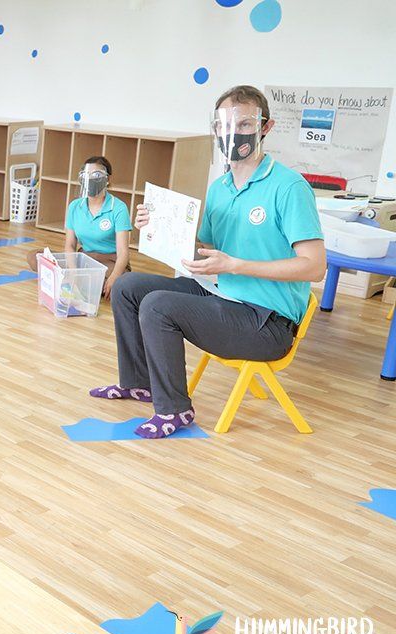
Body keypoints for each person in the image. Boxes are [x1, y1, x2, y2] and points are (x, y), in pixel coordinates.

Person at [90, 85, 325, 438]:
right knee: (127, 286)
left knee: (158, 306)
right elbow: (206, 252)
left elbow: (314, 266)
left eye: (245, 124)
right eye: (224, 125)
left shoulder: (289, 187)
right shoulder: (220, 187)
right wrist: (160, 227)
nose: (233, 133)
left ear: (265, 127)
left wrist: (236, 265)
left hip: (267, 320)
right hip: (223, 294)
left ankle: (175, 411)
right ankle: (140, 384)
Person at [27, 156, 131, 297]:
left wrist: (113, 278)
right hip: (84, 258)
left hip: (110, 262)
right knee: (35, 257)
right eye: (86, 175)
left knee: (118, 283)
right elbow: (70, 245)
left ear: (107, 179)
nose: (91, 179)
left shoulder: (118, 208)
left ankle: (76, 281)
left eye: (97, 175)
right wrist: (73, 271)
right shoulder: (75, 206)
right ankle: (80, 281)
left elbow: (123, 252)